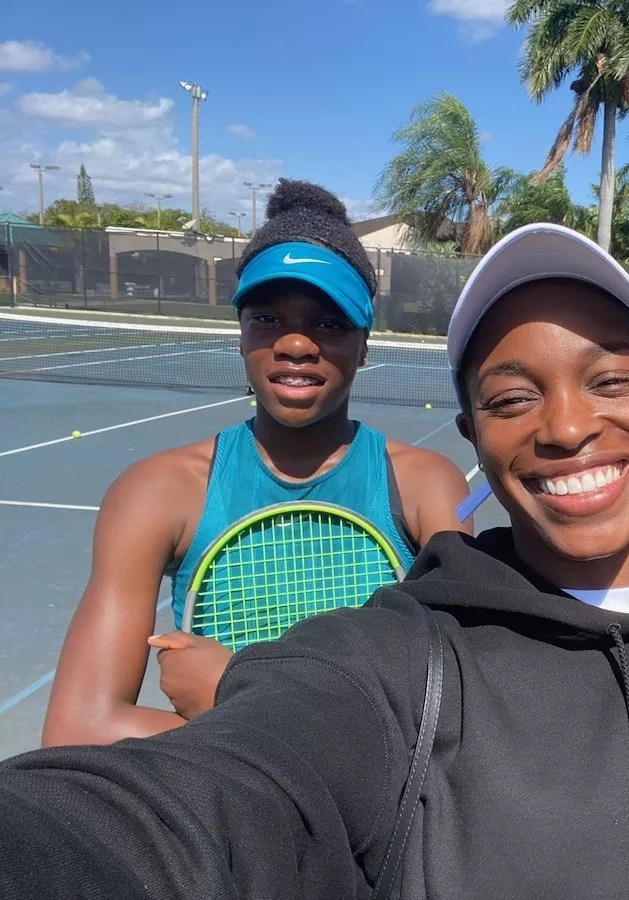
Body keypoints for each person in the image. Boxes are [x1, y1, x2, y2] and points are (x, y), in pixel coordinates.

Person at [0, 223, 629, 899]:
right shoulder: (395, 667)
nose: (568, 426)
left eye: (609, 380)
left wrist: (227, 678)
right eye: (512, 397)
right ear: (474, 434)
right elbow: (174, 813)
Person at [41, 179, 470, 746]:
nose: (295, 344)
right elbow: (78, 728)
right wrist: (320, 730)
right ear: (240, 335)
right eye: (267, 318)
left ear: (364, 345)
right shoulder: (155, 491)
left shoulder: (426, 487)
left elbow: (456, 714)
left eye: (329, 322)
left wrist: (237, 693)